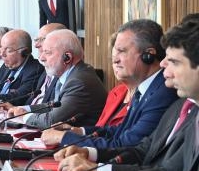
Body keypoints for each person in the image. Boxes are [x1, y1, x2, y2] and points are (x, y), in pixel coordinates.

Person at [63, 19, 199, 171]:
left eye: (174, 62)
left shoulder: (170, 97)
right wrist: (97, 166)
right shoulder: (183, 104)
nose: (163, 67)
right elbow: (158, 164)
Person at [40, 19, 176, 149]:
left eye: (122, 51)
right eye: (114, 54)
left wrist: (64, 138)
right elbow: (119, 131)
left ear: (149, 55)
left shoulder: (163, 92)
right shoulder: (145, 88)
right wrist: (78, 131)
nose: (115, 60)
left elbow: (126, 144)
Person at [8, 29, 106, 128]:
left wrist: (23, 117)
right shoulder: (72, 74)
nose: (41, 58)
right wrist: (24, 109)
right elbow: (53, 106)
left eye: (48, 53)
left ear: (67, 57)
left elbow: (51, 121)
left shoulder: (79, 82)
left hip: (80, 141)